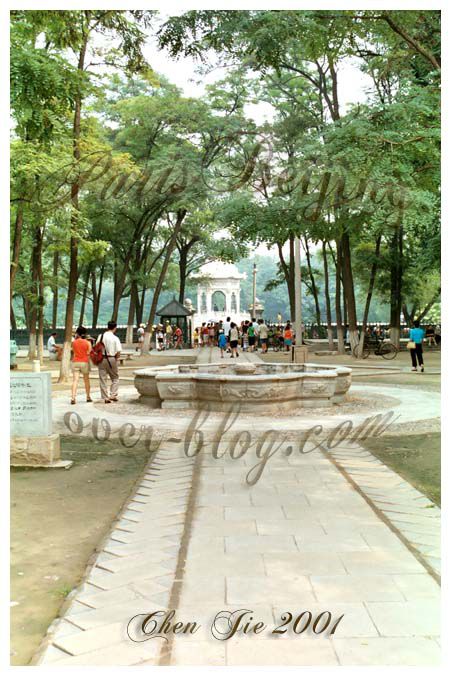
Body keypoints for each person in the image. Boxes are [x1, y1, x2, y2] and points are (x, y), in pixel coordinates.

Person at [96, 321, 122, 403]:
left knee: (103, 379)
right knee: (115, 378)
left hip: (101, 359)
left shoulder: (101, 336)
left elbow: (97, 347)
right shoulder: (115, 338)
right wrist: (116, 358)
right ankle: (113, 394)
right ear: (115, 328)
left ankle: (105, 397)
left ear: (107, 327)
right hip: (112, 358)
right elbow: (118, 351)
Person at [71, 326, 92, 405]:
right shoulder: (88, 342)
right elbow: (89, 353)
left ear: (77, 333)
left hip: (75, 362)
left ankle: (73, 397)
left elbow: (73, 351)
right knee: (86, 380)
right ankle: (88, 397)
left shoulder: (74, 342)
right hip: (84, 362)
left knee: (75, 380)